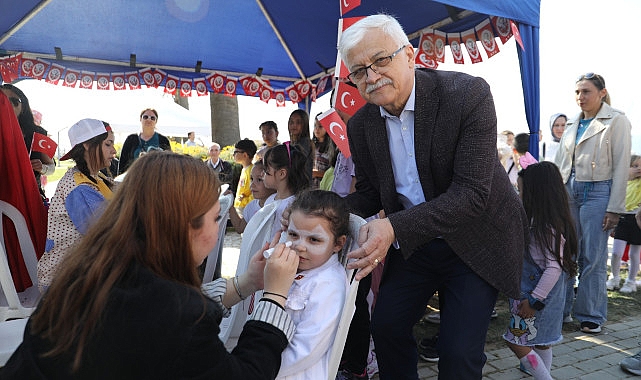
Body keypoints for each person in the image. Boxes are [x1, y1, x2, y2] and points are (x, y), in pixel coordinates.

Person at [338, 14, 527, 379]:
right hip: (415, 244)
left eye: (380, 60)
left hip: (476, 239)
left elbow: (472, 194)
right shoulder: (360, 125)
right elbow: (370, 193)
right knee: (387, 328)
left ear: (409, 55)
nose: (372, 77)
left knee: (458, 355)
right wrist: (313, 211)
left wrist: (392, 228)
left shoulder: (467, 95)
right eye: (359, 71)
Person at [1, 152, 300, 379]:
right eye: (214, 219)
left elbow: (153, 314)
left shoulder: (93, 270)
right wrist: (274, 298)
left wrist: (246, 283)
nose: (217, 227)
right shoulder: (176, 316)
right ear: (184, 228)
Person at [554, 73, 631, 333]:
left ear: (602, 93)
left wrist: (615, 208)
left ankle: (591, 316)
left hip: (599, 193)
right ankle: (560, 311)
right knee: (565, 254)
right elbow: (561, 164)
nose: (580, 97)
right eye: (577, 92)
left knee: (593, 257)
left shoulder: (617, 120)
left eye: (586, 91)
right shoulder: (573, 123)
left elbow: (622, 166)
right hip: (568, 192)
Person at [503, 157, 578, 380]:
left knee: (514, 340)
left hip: (535, 302)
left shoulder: (544, 228)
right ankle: (542, 375)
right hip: (548, 303)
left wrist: (535, 300)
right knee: (542, 343)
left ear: (537, 194)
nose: (519, 195)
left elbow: (553, 268)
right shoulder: (557, 221)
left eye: (521, 190)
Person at [271, 189, 350, 379]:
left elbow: (304, 350)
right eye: (293, 235)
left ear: (338, 244)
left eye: (314, 239)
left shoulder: (328, 285)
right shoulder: (295, 268)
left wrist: (260, 368)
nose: (300, 246)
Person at [37, 119, 117, 290]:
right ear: (88, 145)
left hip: (84, 270)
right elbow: (105, 234)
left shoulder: (96, 177)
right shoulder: (79, 187)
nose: (114, 151)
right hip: (65, 281)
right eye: (108, 144)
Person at [1, 84, 55, 205]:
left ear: (23, 107)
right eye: (2, 100)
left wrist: (42, 168)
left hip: (30, 200)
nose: (7, 104)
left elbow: (51, 168)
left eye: (14, 101)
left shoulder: (38, 134)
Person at [607, 154, 641, 293]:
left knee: (634, 254)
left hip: (637, 220)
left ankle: (631, 281)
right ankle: (614, 278)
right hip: (622, 219)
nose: (638, 169)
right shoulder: (620, 183)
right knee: (616, 252)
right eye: (634, 166)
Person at [262, 142, 309, 242]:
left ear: (282, 173)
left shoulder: (293, 205)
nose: (262, 175)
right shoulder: (270, 199)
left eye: (267, 172)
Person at [118, 108, 172, 174]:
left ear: (156, 121)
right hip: (133, 180)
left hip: (156, 180)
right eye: (145, 117)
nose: (149, 119)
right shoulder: (131, 139)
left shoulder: (163, 140)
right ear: (140, 119)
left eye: (152, 118)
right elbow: (122, 164)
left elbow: (169, 164)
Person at [228, 161, 276, 234]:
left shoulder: (280, 207)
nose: (252, 185)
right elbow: (240, 228)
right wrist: (230, 205)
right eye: (251, 179)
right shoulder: (251, 207)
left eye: (259, 179)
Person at [288, 109, 314, 186]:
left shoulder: (305, 142)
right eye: (291, 122)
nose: (294, 125)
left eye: (298, 122)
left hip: (302, 187)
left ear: (305, 125)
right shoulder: (294, 143)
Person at [232, 138, 257, 213]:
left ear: (245, 155)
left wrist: (244, 200)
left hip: (246, 208)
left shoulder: (252, 171)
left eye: (236, 152)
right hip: (241, 207)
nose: (233, 155)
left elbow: (255, 194)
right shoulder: (244, 169)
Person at [312, 112, 336, 190]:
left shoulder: (331, 147)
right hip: (311, 186)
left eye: (320, 126)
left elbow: (332, 172)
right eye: (315, 126)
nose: (316, 129)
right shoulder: (312, 145)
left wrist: (316, 173)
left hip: (324, 186)